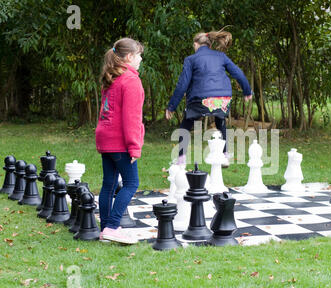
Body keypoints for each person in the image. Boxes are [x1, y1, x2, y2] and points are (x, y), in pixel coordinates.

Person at [166, 30, 252, 167]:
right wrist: (247, 91)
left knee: (186, 125)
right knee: (220, 120)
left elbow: (183, 84)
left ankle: (181, 159)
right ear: (210, 45)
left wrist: (171, 106)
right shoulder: (221, 56)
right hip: (222, 99)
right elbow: (238, 73)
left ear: (196, 44)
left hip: (201, 100)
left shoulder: (191, 59)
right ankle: (225, 155)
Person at [95, 38, 145, 244]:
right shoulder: (130, 80)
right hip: (120, 140)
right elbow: (131, 118)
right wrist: (134, 147)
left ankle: (106, 228)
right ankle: (113, 225)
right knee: (132, 183)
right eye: (139, 55)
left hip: (105, 137)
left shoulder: (112, 78)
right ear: (129, 56)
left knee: (109, 184)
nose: (141, 59)